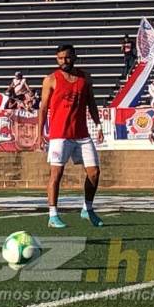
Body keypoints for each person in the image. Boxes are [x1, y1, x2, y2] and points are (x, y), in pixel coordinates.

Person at [36, 44, 104, 229]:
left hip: (82, 134)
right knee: (56, 174)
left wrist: (98, 125)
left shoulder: (85, 77)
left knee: (94, 172)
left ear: (74, 56)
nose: (63, 61)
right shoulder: (50, 79)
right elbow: (43, 108)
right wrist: (40, 133)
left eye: (66, 57)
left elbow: (92, 103)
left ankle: (87, 209)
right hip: (59, 135)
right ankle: (53, 215)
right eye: (59, 58)